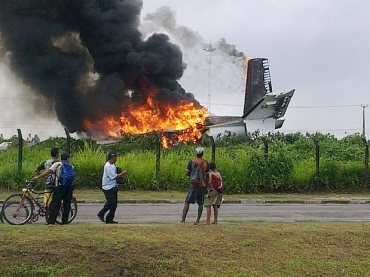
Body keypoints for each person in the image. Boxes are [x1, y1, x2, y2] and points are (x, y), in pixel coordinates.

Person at [32, 152, 75, 225]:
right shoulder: (71, 166)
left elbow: (48, 171)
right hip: (69, 187)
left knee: (55, 204)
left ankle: (51, 222)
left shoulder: (58, 164)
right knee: (67, 205)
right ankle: (65, 222)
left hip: (60, 187)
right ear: (67, 158)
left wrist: (38, 177)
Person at [179, 147, 210, 225]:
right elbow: (207, 175)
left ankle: (183, 220)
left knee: (187, 202)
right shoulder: (206, 163)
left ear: (196, 154)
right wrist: (207, 186)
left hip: (193, 185)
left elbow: (187, 173)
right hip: (202, 185)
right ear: (202, 154)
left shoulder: (191, 162)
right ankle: (197, 221)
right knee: (200, 203)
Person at [97, 151, 128, 224]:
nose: (116, 158)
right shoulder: (107, 166)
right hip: (107, 187)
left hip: (113, 186)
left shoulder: (113, 165)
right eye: (115, 157)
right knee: (111, 202)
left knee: (114, 204)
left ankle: (109, 219)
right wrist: (122, 173)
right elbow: (113, 176)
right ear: (111, 157)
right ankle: (101, 213)